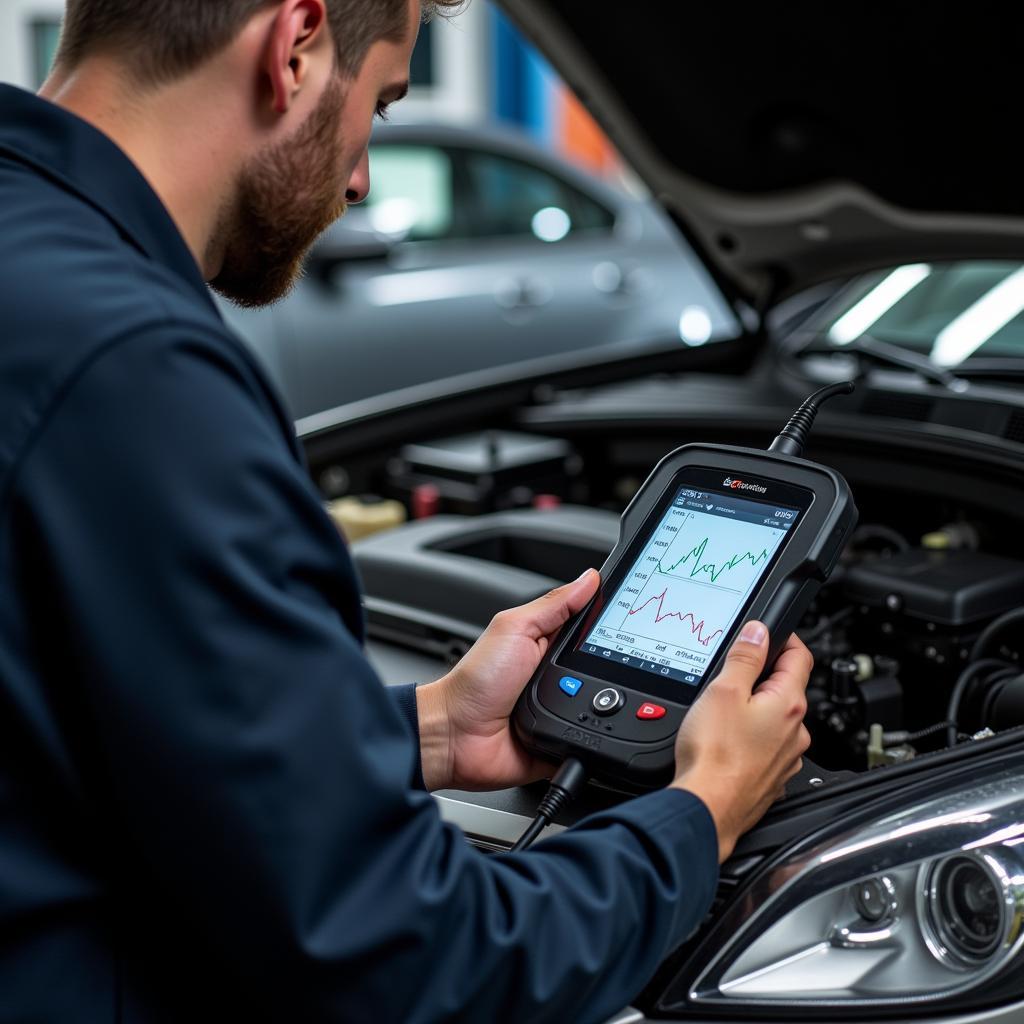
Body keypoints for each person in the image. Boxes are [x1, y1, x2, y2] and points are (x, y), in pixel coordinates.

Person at [0, 1, 812, 1020]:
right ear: (294, 42)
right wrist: (702, 813)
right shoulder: (142, 376)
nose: (358, 181)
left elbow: (84, 728)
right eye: (380, 108)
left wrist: (426, 731)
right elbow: (407, 961)